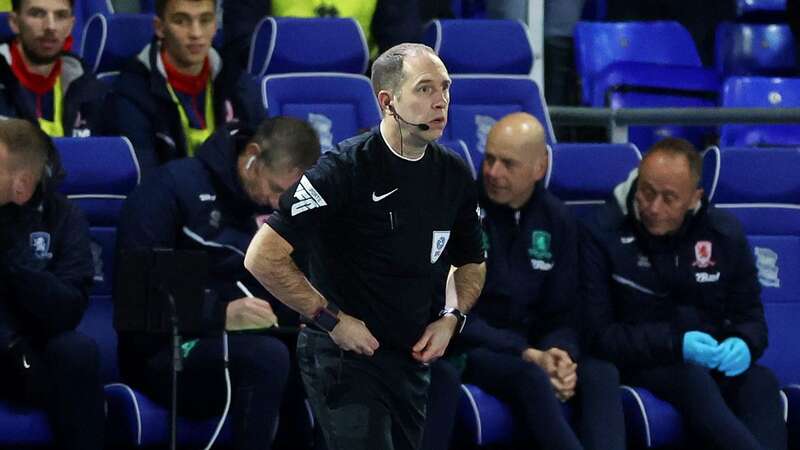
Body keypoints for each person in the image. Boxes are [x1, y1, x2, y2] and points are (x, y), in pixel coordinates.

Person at [244, 43, 486, 450]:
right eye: (425, 89)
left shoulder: (454, 175)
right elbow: (262, 257)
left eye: (445, 88)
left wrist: (451, 319)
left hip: (410, 357)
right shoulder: (342, 170)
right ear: (388, 102)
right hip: (343, 355)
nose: (441, 101)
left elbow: (472, 263)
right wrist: (332, 321)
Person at [117, 116, 320, 450]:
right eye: (276, 189)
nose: (276, 203)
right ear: (252, 156)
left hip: (253, 345)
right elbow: (140, 299)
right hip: (165, 352)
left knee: (315, 353)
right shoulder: (169, 189)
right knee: (268, 357)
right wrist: (220, 314)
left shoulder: (279, 211)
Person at [582, 137, 787, 450]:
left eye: (669, 198)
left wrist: (745, 342)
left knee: (760, 383)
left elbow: (751, 317)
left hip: (708, 358)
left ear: (694, 198)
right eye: (646, 191)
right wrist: (676, 344)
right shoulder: (603, 231)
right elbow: (600, 336)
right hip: (641, 360)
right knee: (692, 380)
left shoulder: (724, 233)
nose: (653, 207)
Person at [439, 112, 624, 450]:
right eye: (489, 159)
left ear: (539, 167)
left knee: (601, 374)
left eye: (508, 164)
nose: (493, 172)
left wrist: (560, 354)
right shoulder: (458, 210)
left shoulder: (558, 220)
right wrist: (526, 354)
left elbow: (565, 312)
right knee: (530, 378)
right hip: (472, 347)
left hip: (533, 348)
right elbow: (450, 311)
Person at [0, 118, 103, 449]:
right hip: (6, 344)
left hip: (29, 355)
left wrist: (14, 259)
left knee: (76, 352)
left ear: (22, 185)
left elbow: (68, 309)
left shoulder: (65, 218)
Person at [108, 0, 260, 176]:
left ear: (215, 25)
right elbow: (145, 178)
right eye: (181, 21)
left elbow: (266, 158)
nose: (196, 33)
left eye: (205, 20)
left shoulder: (238, 83)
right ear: (160, 27)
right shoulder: (132, 92)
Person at [0, 0, 108, 137]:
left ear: (70, 26)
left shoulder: (86, 85)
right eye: (37, 14)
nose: (50, 26)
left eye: (61, 15)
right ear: (14, 22)